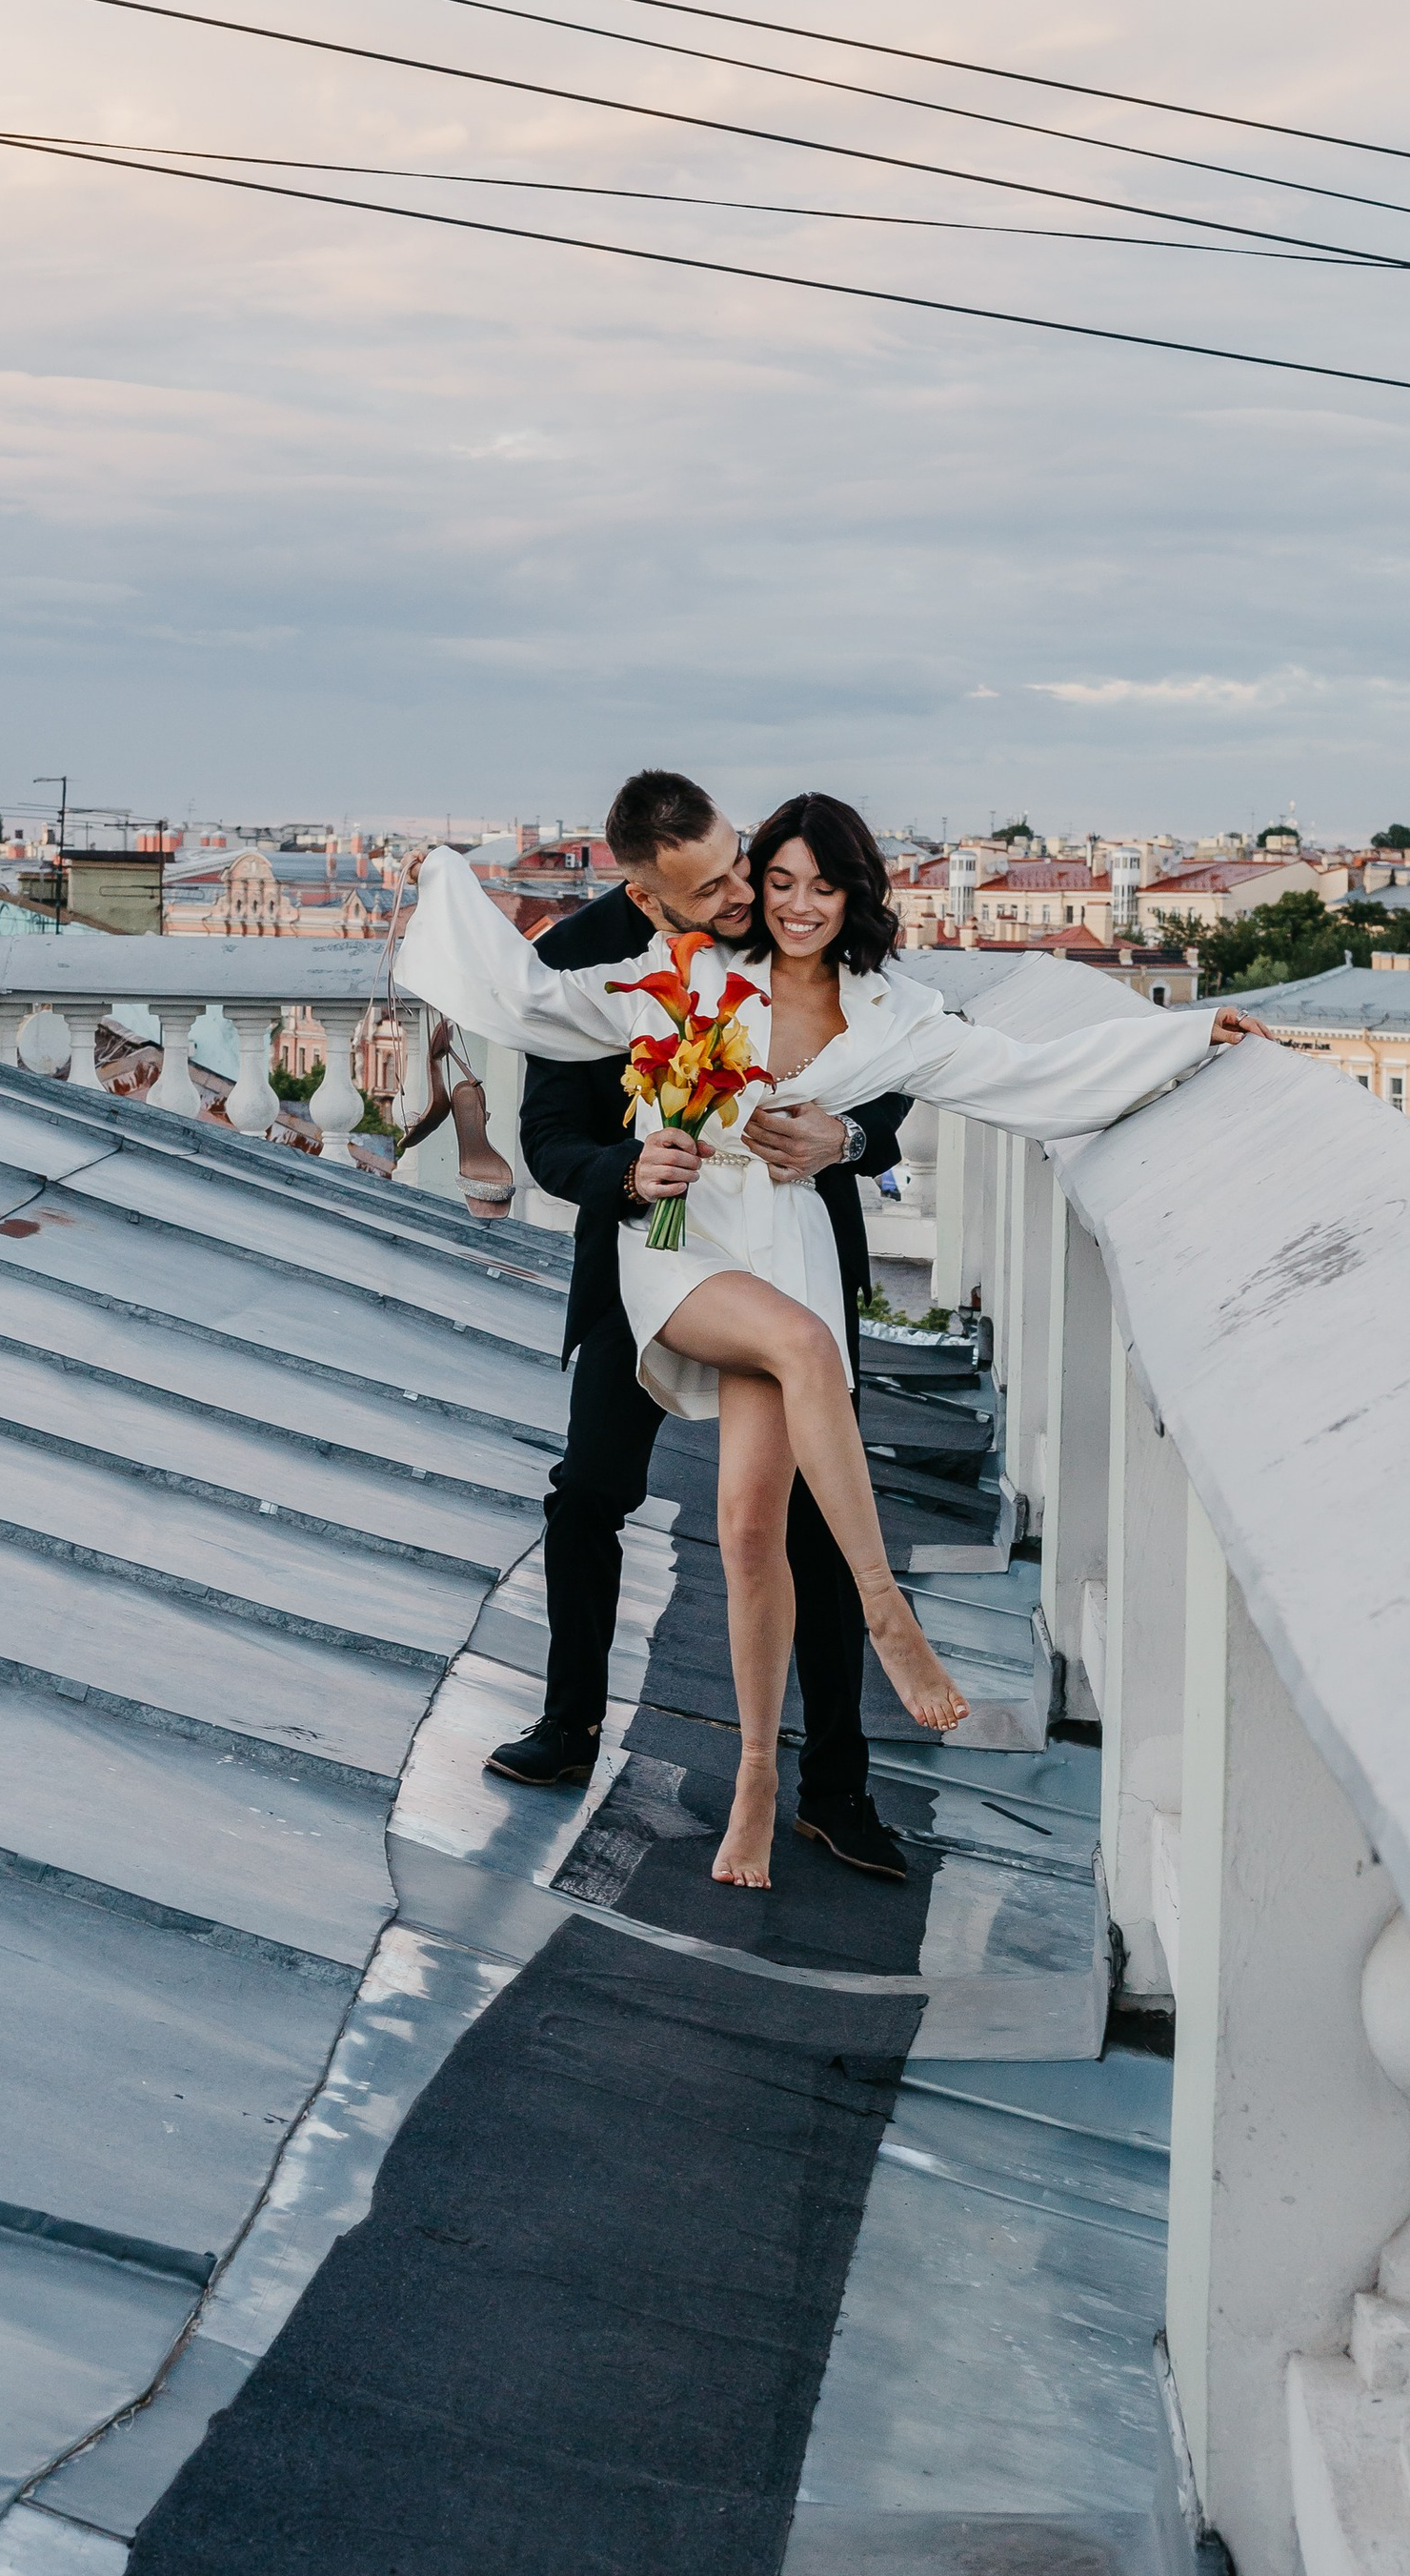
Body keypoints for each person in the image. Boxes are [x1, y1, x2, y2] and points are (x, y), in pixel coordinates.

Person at [402, 792, 1268, 1892]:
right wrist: (443, 880)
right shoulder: (684, 974)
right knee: (622, 1471)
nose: (765, 902)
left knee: (757, 1524)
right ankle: (871, 1615)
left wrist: (1191, 1035)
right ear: (655, 888)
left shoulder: (890, 1012)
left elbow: (1019, 1077)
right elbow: (532, 1031)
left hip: (793, 1241)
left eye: (800, 883)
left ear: (851, 891)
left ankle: (778, 1781)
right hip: (671, 1239)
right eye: (759, 885)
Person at [503, 768, 924, 1893]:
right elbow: (546, 1143)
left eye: (746, 861)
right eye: (716, 884)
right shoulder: (581, 965)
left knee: (804, 1525)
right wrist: (628, 1171)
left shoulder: (786, 930)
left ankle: (835, 1789)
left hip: (786, 1251)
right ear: (648, 894)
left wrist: (852, 1141)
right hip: (653, 1253)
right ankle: (569, 1725)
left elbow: (884, 1071)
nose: (745, 892)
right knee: (590, 1490)